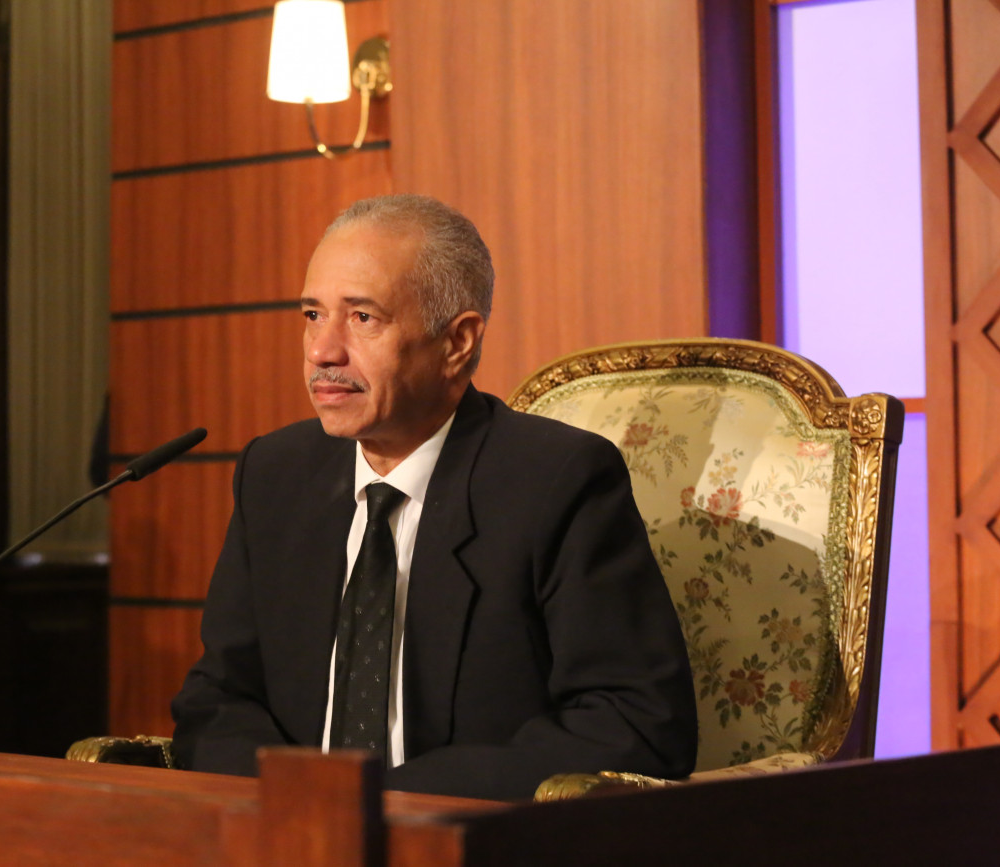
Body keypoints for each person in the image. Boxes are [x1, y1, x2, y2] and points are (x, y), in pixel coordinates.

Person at [170, 194, 697, 801]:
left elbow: (636, 721)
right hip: (289, 829)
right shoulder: (275, 474)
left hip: (465, 833)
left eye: (362, 317)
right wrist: (301, 804)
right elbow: (218, 698)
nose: (322, 351)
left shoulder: (556, 481)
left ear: (457, 342)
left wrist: (385, 801)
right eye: (313, 314)